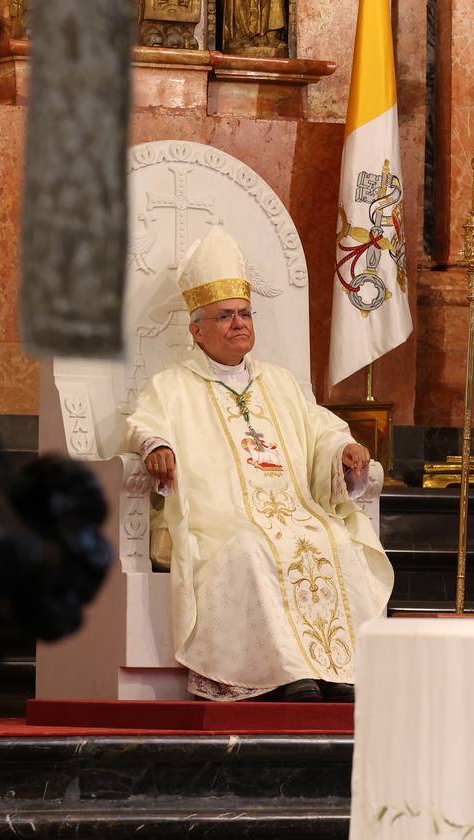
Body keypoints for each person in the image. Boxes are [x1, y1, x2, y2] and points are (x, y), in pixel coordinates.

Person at [125, 225, 393, 703]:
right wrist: (156, 446)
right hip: (216, 520)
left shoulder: (280, 382)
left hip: (293, 508)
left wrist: (343, 450)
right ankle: (281, 673)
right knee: (250, 545)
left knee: (331, 536)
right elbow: (142, 424)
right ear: (197, 329)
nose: (239, 324)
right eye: (225, 316)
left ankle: (340, 669)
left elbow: (321, 428)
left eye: (245, 313)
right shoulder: (173, 385)